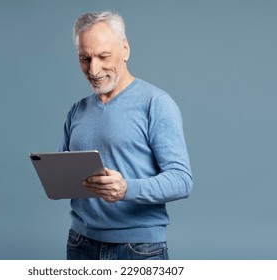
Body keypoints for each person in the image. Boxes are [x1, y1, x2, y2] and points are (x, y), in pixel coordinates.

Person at [58, 11, 193, 260]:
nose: (94, 69)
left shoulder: (157, 103)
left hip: (138, 248)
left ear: (125, 50)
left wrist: (126, 188)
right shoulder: (77, 110)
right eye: (85, 58)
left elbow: (182, 180)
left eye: (103, 56)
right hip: (80, 242)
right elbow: (65, 174)